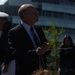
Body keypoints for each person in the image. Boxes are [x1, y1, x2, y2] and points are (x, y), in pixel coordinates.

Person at [3, 4, 51, 75]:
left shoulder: (38, 29)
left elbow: (45, 48)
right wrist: (35, 52)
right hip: (26, 71)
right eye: (35, 13)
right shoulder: (15, 32)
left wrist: (47, 48)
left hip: (42, 71)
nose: (37, 14)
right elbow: (17, 54)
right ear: (25, 16)